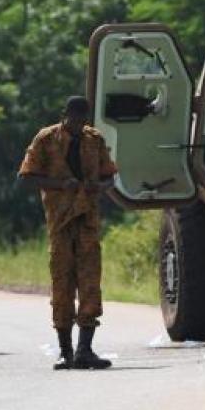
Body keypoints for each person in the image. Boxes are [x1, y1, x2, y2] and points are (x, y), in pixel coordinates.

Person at [19, 96, 118, 370]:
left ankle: (85, 349)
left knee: (89, 284)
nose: (79, 124)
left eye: (83, 119)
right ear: (65, 115)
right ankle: (66, 351)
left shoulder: (94, 139)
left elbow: (110, 175)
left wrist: (100, 186)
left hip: (87, 222)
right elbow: (26, 176)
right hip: (60, 223)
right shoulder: (46, 139)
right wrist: (61, 184)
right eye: (74, 118)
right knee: (62, 286)